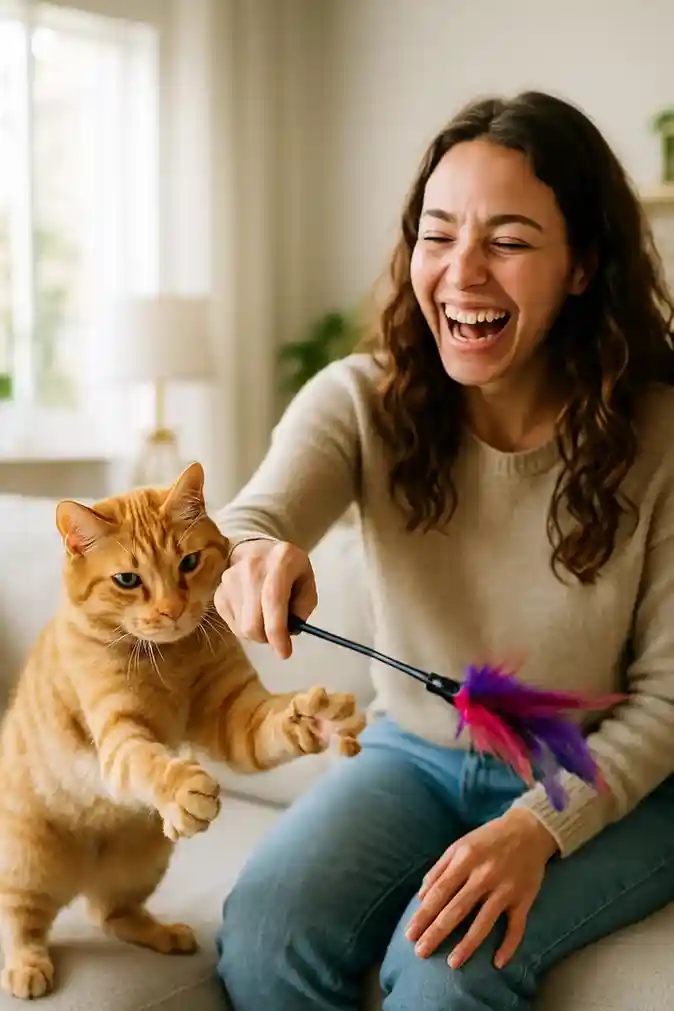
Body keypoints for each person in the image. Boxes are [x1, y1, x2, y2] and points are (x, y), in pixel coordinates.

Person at [212, 89, 674, 1011]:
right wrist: (250, 559)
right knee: (265, 934)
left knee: (446, 972)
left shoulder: (662, 431)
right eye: (438, 233)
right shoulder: (357, 400)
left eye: (507, 240)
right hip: (413, 758)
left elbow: (669, 701)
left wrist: (537, 828)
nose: (462, 272)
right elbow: (246, 523)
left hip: (616, 778)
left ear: (582, 264)